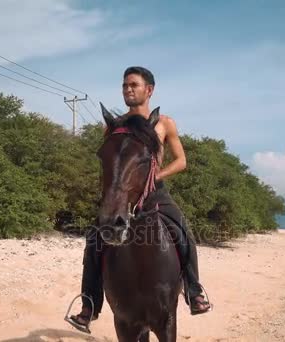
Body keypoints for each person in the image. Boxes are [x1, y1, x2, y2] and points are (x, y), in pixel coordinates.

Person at [66, 66, 212, 332]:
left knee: (183, 231)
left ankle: (194, 290)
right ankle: (89, 304)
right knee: (94, 239)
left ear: (149, 90)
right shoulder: (115, 125)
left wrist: (156, 175)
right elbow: (113, 161)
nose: (127, 89)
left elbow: (182, 161)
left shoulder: (164, 123)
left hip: (156, 192)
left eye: (133, 85)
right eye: (124, 85)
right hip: (124, 193)